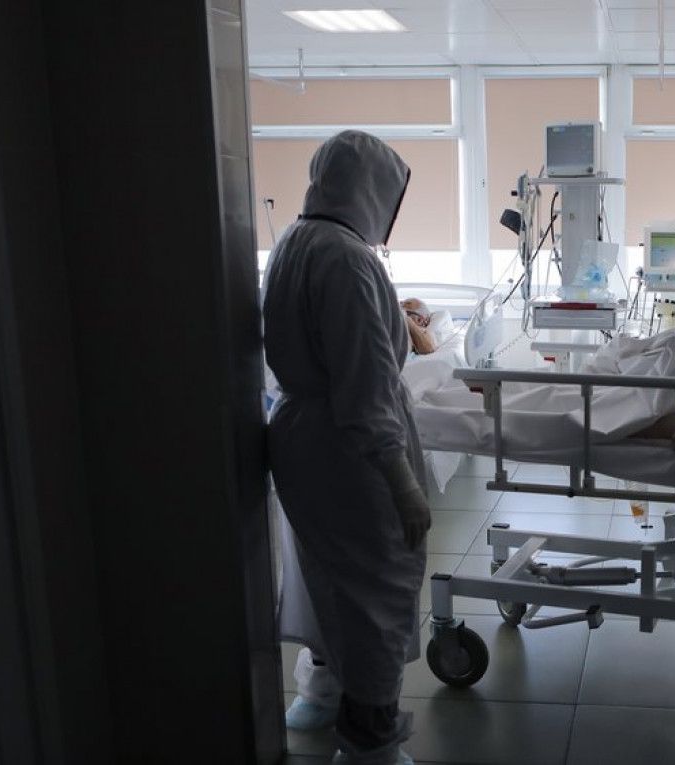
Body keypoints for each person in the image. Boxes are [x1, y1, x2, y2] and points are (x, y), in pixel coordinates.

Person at [264, 130, 430, 765]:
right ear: (371, 191)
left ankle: (322, 693)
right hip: (350, 451)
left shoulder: (295, 241)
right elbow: (366, 386)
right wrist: (401, 481)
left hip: (305, 438)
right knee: (378, 591)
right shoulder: (348, 260)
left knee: (328, 577)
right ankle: (369, 748)